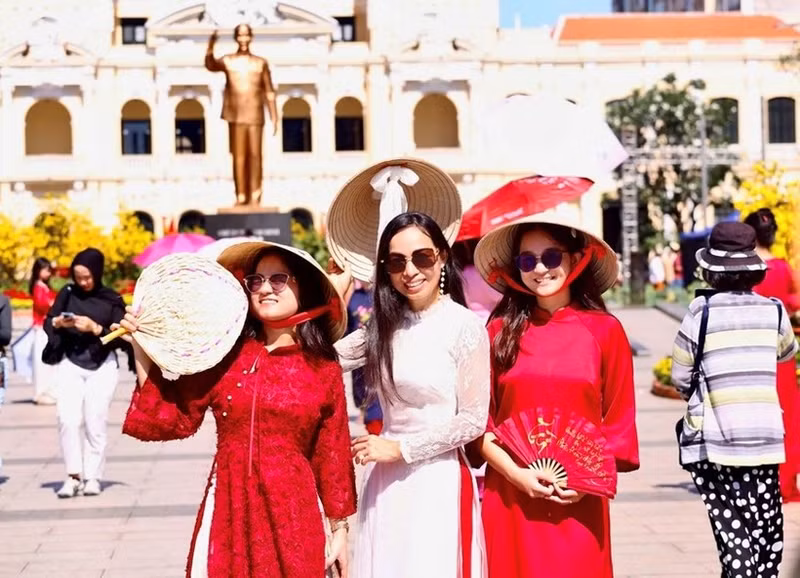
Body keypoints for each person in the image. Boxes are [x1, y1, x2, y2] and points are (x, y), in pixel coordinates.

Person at [120, 241, 356, 578]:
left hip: (293, 514)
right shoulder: (226, 356)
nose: (264, 288)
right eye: (255, 281)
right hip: (229, 506)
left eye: (278, 279)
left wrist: (340, 531)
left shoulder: (322, 367)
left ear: (303, 286)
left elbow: (332, 453)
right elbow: (175, 416)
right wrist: (142, 343)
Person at [470, 214, 640, 578]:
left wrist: (583, 480)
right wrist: (517, 475)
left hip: (579, 504)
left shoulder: (605, 332)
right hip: (510, 501)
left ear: (575, 259)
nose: (540, 269)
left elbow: (618, 422)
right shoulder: (498, 332)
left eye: (551, 256)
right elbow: (480, 425)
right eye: (527, 260)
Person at [334, 212, 490, 578]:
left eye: (422, 257)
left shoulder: (464, 327)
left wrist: (401, 449)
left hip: (438, 481)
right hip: (386, 485)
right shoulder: (382, 329)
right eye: (396, 261)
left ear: (442, 258)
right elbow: (321, 362)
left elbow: (472, 419)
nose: (410, 271)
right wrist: (334, 300)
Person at [672, 221, 798, 578]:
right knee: (765, 530)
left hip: (716, 444)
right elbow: (787, 353)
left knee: (734, 535)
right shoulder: (773, 310)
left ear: (712, 269)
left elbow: (682, 375)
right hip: (764, 440)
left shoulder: (702, 312)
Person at [44, 248, 129, 498]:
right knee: (67, 419)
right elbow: (48, 321)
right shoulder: (67, 294)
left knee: (95, 421)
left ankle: (93, 476)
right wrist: (59, 323)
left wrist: (96, 328)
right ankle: (73, 475)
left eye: (87, 277)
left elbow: (122, 338)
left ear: (98, 273)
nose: (83, 282)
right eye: (78, 276)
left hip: (102, 366)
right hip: (71, 362)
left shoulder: (111, 299)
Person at [744, 208, 800, 502]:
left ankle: (756, 480)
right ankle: (785, 481)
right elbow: (794, 302)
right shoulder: (784, 268)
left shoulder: (745, 270)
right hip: (781, 352)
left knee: (753, 415)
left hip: (750, 353)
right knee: (787, 415)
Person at [205, 24, 278, 207]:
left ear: (251, 37)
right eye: (240, 36)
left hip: (255, 114)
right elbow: (211, 65)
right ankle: (241, 196)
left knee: (255, 156)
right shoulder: (228, 60)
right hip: (235, 115)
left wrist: (274, 115)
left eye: (246, 35)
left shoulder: (260, 62)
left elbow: (269, 91)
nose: (243, 39)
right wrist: (210, 45)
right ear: (236, 38)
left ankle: (255, 195)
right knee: (239, 157)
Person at [346, 280, 383, 434]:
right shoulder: (354, 298)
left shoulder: (382, 295)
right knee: (368, 408)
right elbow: (346, 331)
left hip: (382, 362)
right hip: (361, 367)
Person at [30, 257, 57, 405]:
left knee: (49, 361)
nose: (48, 273)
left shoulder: (43, 286)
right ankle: (42, 392)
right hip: (41, 328)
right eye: (45, 270)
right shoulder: (38, 287)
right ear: (37, 271)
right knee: (43, 362)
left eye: (49, 270)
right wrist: (53, 303)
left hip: (46, 328)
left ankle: (49, 390)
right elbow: (42, 305)